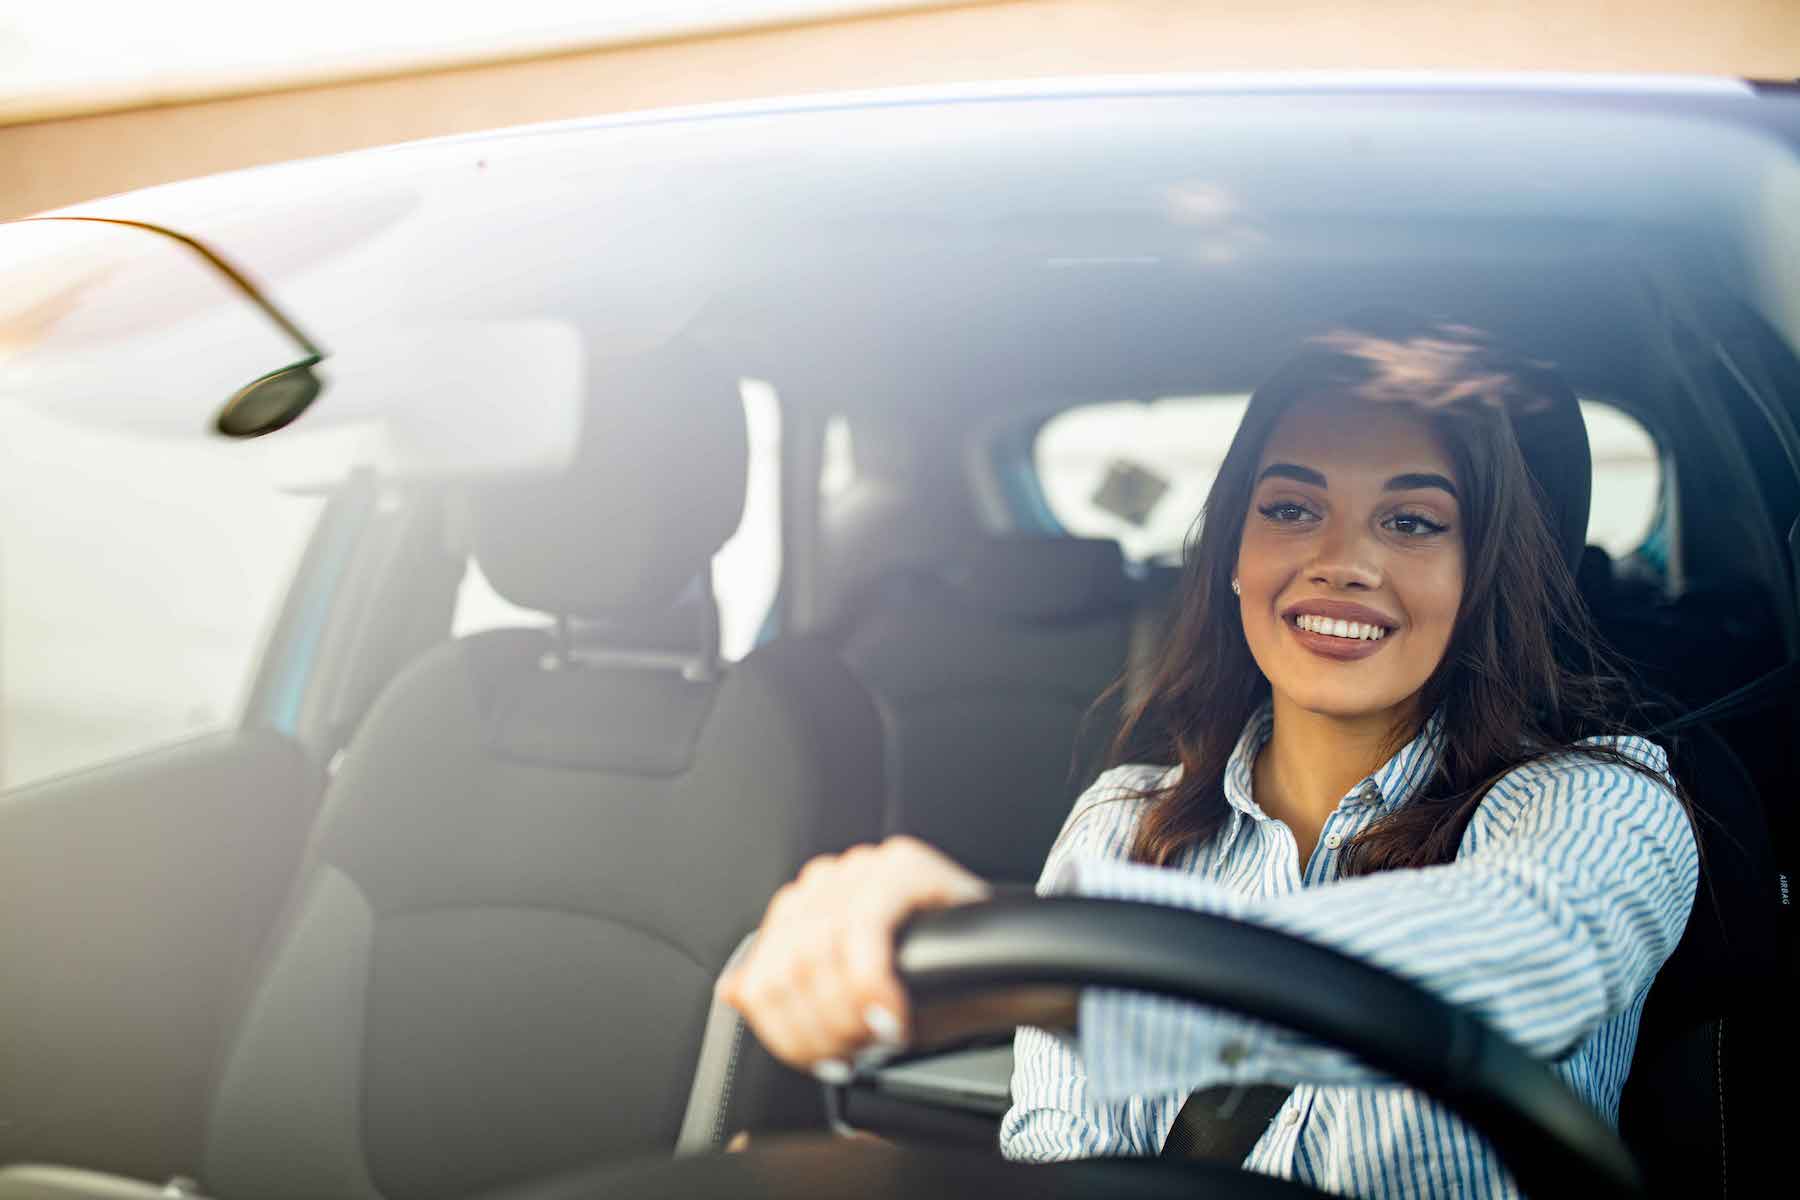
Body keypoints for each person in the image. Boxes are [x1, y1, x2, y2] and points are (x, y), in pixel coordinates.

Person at [715, 311, 1698, 1198]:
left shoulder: (1603, 801)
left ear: (1481, 571)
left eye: (1411, 521)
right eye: (1291, 508)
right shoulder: (1123, 819)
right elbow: (1061, 1154)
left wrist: (1061, 976)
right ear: (1233, 551)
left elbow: (1538, 951)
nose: (1342, 562)